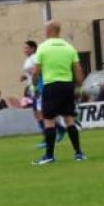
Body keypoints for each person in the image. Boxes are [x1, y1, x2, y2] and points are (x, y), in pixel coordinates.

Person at [32, 20, 85, 164]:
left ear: (49, 31)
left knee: (49, 120)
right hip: (67, 86)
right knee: (69, 119)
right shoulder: (69, 47)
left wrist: (34, 85)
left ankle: (49, 155)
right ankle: (78, 153)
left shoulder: (43, 47)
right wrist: (79, 88)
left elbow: (36, 71)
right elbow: (78, 69)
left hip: (51, 86)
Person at [21, 39, 66, 148]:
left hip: (39, 89)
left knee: (41, 113)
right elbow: (31, 73)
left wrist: (37, 86)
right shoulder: (28, 60)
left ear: (33, 48)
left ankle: (49, 136)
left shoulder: (35, 58)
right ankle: (58, 129)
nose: (24, 50)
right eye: (24, 48)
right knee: (38, 113)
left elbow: (39, 71)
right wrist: (25, 77)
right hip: (33, 89)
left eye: (27, 48)